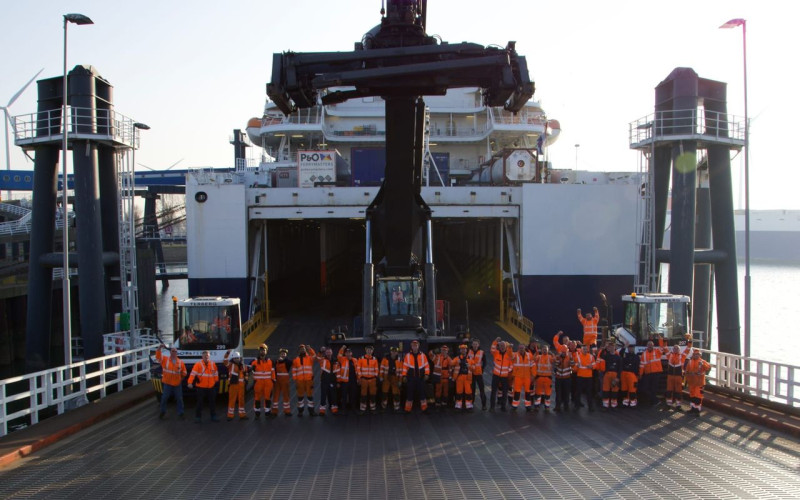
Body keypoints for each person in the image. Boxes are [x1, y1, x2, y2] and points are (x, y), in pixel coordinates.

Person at [187, 350, 220, 423]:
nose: (206, 357)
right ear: (202, 357)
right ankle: (198, 417)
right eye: (205, 356)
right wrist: (189, 382)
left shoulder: (213, 364)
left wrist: (215, 381)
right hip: (201, 387)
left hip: (211, 386)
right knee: (200, 402)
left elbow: (215, 373)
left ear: (209, 356)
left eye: (207, 356)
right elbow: (192, 374)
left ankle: (213, 416)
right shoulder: (198, 365)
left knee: (212, 402)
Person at [155, 344, 187, 419]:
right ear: (170, 352)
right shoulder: (165, 360)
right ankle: (162, 411)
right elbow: (158, 357)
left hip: (177, 384)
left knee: (179, 398)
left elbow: (184, 373)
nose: (174, 352)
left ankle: (181, 413)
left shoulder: (180, 362)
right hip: (167, 383)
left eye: (175, 351)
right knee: (164, 398)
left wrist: (180, 380)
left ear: (177, 353)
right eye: (173, 351)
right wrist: (159, 348)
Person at [402, 339, 430, 413]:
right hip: (411, 378)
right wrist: (404, 376)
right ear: (411, 346)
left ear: (418, 346)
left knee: (422, 393)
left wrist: (427, 374)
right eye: (413, 345)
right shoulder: (407, 356)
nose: (415, 347)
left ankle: (424, 408)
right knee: (409, 393)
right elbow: (405, 367)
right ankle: (407, 409)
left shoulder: (423, 355)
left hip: (421, 378)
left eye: (416, 345)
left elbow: (426, 366)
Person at [250, 344, 275, 419]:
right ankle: (257, 414)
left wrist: (273, 381)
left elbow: (273, 372)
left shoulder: (270, 362)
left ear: (266, 351)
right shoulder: (254, 362)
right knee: (257, 399)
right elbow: (251, 374)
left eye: (264, 350)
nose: (262, 352)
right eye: (261, 350)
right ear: (259, 351)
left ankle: (267, 413)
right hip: (258, 384)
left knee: (268, 398)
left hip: (268, 383)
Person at [223, 350, 249, 421]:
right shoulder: (230, 365)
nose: (236, 359)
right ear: (233, 359)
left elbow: (246, 373)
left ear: (240, 358)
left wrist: (246, 380)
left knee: (241, 400)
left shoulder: (243, 366)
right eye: (235, 358)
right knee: (232, 399)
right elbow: (225, 361)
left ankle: (242, 414)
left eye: (237, 358)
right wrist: (227, 353)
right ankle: (230, 415)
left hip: (241, 385)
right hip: (233, 385)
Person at [639, 339, 666, 406]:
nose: (650, 346)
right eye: (649, 345)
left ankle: (653, 401)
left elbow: (662, 347)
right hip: (648, 373)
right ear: (647, 346)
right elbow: (642, 365)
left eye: (651, 345)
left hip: (656, 373)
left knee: (654, 388)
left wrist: (660, 339)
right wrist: (640, 374)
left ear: (653, 346)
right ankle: (655, 400)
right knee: (644, 388)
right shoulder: (644, 354)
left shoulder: (657, 352)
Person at [489, 337, 513, 412]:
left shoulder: (509, 355)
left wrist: (507, 372)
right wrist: (495, 341)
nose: (502, 347)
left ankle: (503, 406)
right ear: (499, 346)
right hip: (496, 376)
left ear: (506, 347)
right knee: (493, 391)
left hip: (504, 377)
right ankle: (492, 407)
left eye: (503, 346)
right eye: (501, 346)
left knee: (505, 392)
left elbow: (511, 366)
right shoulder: (496, 353)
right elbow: (492, 349)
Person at [292, 344, 316, 416]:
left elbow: (314, 356)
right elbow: (294, 370)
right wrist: (295, 380)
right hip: (300, 381)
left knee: (310, 396)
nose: (302, 350)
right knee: (300, 397)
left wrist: (310, 349)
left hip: (308, 380)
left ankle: (311, 411)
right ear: (299, 350)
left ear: (305, 350)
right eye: (301, 349)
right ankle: (300, 411)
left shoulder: (309, 358)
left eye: (303, 349)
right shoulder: (296, 360)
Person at [684, 349, 711, 415]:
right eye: (695, 354)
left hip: (699, 382)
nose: (696, 355)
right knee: (692, 395)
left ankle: (697, 410)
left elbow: (708, 368)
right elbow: (686, 371)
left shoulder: (702, 361)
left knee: (698, 396)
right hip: (692, 382)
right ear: (693, 355)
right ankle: (693, 408)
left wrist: (703, 365)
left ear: (699, 355)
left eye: (697, 354)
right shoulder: (690, 362)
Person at [598, 340, 622, 409]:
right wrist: (605, 348)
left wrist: (618, 378)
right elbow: (601, 356)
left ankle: (614, 405)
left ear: (615, 347)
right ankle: (605, 405)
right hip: (607, 374)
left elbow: (620, 368)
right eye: (610, 347)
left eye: (612, 346)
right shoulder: (606, 356)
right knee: (606, 389)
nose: (611, 348)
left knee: (615, 390)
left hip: (615, 374)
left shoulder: (618, 357)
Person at [510, 343, 534, 411]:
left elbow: (533, 365)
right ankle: (515, 406)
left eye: (522, 348)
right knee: (517, 392)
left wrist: (533, 375)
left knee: (528, 392)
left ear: (525, 348)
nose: (521, 349)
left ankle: (528, 406)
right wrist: (509, 348)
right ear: (518, 348)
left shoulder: (529, 355)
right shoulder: (515, 355)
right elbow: (510, 355)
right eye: (520, 348)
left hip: (527, 377)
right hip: (518, 377)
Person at [357, 345, 380, 414]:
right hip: (364, 379)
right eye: (368, 350)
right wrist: (360, 377)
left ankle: (372, 408)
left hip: (372, 379)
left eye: (370, 350)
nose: (369, 351)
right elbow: (358, 368)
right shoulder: (361, 358)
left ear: (372, 351)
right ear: (365, 350)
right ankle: (362, 409)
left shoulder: (374, 359)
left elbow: (376, 369)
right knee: (363, 394)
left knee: (373, 394)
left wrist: (376, 377)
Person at [533, 343, 557, 411]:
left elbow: (554, 360)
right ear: (541, 350)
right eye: (543, 350)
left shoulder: (550, 357)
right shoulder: (539, 356)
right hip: (539, 377)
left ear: (548, 350)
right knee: (538, 392)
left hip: (548, 378)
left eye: (546, 350)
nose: (544, 351)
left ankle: (547, 406)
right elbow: (534, 358)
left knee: (547, 393)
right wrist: (536, 352)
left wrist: (552, 353)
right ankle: (537, 405)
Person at [380, 346, 403, 412]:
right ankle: (383, 406)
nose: (394, 352)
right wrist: (381, 377)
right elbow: (381, 368)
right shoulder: (385, 359)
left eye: (395, 351)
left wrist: (400, 381)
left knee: (396, 393)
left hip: (395, 378)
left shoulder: (399, 360)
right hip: (386, 377)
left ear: (397, 353)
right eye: (392, 351)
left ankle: (396, 407)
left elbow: (401, 371)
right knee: (384, 392)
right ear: (390, 352)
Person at [337, 346, 359, 415]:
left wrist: (358, 379)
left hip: (353, 381)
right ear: (345, 354)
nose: (348, 354)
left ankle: (353, 408)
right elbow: (339, 355)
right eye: (347, 353)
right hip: (345, 381)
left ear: (351, 353)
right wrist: (342, 348)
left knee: (353, 395)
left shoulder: (355, 360)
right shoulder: (342, 359)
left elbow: (358, 370)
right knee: (344, 396)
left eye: (349, 352)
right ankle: (343, 409)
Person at [452, 344, 474, 411]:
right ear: (460, 350)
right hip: (459, 377)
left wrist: (469, 366)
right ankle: (458, 406)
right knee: (459, 392)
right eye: (462, 349)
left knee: (468, 392)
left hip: (467, 378)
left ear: (466, 350)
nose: (463, 350)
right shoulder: (456, 358)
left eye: (464, 349)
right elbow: (451, 364)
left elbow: (474, 368)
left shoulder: (470, 359)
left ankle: (469, 406)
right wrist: (456, 362)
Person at [665, 344, 687, 410]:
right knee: (669, 390)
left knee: (679, 391)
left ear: (679, 350)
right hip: (670, 375)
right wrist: (663, 341)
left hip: (678, 376)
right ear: (672, 349)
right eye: (674, 348)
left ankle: (678, 405)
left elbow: (687, 350)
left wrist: (689, 341)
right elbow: (665, 348)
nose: (675, 349)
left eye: (677, 348)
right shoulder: (669, 355)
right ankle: (668, 404)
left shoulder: (682, 356)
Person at [574, 343, 596, 412]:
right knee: (578, 392)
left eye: (586, 349)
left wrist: (592, 367)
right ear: (581, 350)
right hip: (580, 376)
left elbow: (594, 365)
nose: (585, 350)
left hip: (588, 377)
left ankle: (590, 406)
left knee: (589, 392)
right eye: (584, 349)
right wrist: (576, 366)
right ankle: (577, 405)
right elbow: (574, 368)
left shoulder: (591, 356)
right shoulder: (577, 357)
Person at [429, 345, 452, 410]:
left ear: (447, 351)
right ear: (441, 350)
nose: (444, 351)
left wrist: (450, 378)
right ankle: (437, 404)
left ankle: (444, 404)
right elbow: (430, 355)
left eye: (445, 350)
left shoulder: (449, 359)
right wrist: (433, 351)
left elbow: (451, 369)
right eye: (442, 350)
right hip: (438, 378)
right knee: (438, 391)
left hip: (446, 379)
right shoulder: (437, 357)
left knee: (445, 391)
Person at [317, 347, 337, 416]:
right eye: (327, 352)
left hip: (332, 380)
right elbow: (318, 357)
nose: (328, 353)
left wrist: (338, 381)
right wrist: (320, 351)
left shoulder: (335, 360)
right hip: (324, 380)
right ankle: (322, 410)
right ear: (325, 353)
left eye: (329, 352)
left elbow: (337, 371)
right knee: (323, 395)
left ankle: (334, 408)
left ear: (332, 353)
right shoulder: (322, 359)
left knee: (333, 395)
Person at [272, 348, 293, 416]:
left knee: (286, 396)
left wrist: (283, 360)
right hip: (277, 381)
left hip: (285, 381)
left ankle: (287, 411)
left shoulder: (287, 362)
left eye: (284, 354)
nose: (283, 355)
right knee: (275, 396)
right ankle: (274, 411)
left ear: (286, 355)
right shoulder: (276, 362)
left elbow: (290, 362)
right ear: (279, 354)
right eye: (282, 354)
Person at [468, 338, 487, 410]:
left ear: (478, 345)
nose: (475, 345)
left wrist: (482, 369)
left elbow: (485, 362)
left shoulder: (482, 352)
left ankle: (484, 405)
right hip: (471, 373)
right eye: (474, 344)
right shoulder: (468, 351)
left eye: (476, 344)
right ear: (472, 345)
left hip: (479, 373)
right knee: (472, 390)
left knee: (482, 389)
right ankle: (471, 404)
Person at [620, 342, 640, 407]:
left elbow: (638, 366)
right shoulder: (625, 355)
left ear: (634, 349)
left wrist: (638, 374)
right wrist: (624, 347)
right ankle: (625, 402)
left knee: (632, 389)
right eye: (629, 348)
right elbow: (620, 353)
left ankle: (633, 403)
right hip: (624, 374)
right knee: (624, 389)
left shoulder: (636, 356)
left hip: (632, 374)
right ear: (628, 348)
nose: (631, 349)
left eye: (632, 348)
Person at [554, 346, 574, 412]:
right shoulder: (558, 357)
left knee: (566, 393)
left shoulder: (569, 358)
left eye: (564, 352)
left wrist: (571, 358)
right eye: (562, 352)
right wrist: (558, 358)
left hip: (567, 378)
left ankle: (566, 406)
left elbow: (573, 365)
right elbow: (556, 365)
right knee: (558, 393)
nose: (563, 353)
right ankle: (558, 406)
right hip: (559, 378)